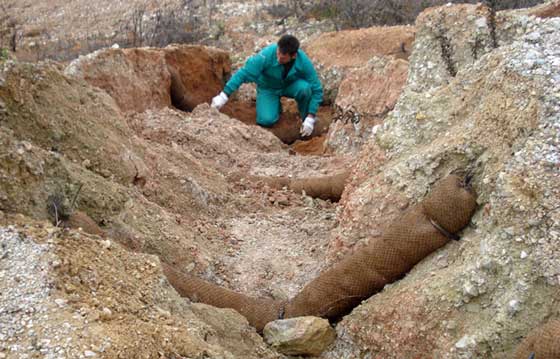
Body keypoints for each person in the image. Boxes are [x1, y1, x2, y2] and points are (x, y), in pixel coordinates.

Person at [211, 34, 323, 137]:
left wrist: (311, 116)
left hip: (290, 85)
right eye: (278, 53)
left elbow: (317, 89)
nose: (278, 58)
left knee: (305, 89)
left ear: (293, 56)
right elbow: (243, 73)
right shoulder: (266, 55)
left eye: (283, 58)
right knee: (266, 120)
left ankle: (305, 121)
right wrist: (224, 95)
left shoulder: (303, 61)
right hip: (268, 88)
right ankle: (275, 107)